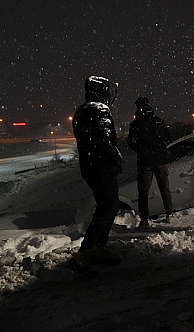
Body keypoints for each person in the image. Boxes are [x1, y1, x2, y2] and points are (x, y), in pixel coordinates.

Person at [69, 76, 123, 276]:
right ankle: (86, 252)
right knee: (109, 206)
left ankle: (98, 246)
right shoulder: (99, 111)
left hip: (90, 167)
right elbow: (104, 141)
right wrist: (116, 159)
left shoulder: (82, 111)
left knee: (107, 205)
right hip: (102, 167)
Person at [128, 97, 174, 228]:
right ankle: (169, 214)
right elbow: (169, 138)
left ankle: (144, 219)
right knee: (164, 188)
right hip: (161, 160)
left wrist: (142, 150)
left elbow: (132, 143)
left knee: (143, 191)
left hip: (145, 161)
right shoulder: (159, 122)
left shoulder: (135, 125)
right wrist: (161, 149)